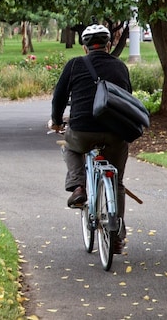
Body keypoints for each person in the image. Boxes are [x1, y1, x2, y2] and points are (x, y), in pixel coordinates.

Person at [50, 24, 132, 225]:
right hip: (115, 133)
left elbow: (59, 98)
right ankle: (118, 232)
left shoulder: (74, 65)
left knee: (70, 147)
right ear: (109, 45)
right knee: (117, 182)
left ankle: (78, 187)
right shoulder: (120, 66)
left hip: (82, 130)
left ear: (85, 48)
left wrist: (57, 122)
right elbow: (128, 97)